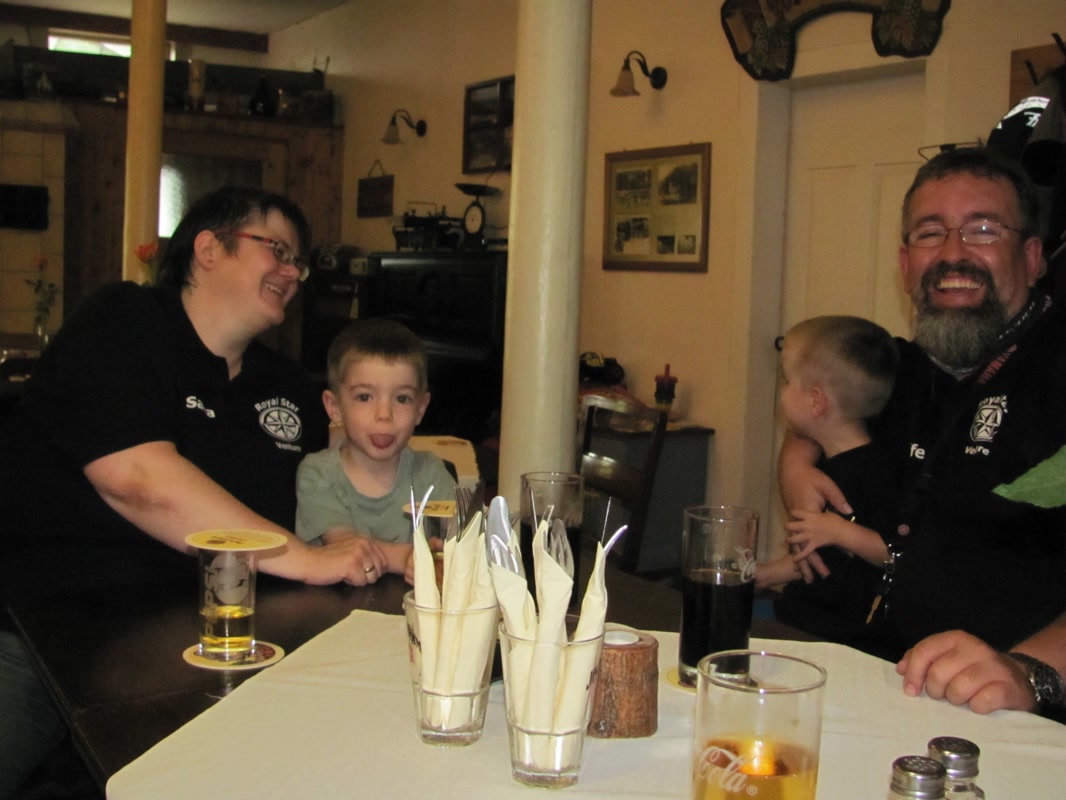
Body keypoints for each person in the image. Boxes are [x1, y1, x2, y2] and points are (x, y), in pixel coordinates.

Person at [0, 186, 382, 796]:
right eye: (278, 250)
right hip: (49, 633)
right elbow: (139, 481)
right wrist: (302, 559)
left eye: (298, 263)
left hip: (223, 645)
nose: (292, 273)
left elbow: (324, 502)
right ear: (208, 248)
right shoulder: (123, 321)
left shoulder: (285, 385)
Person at [780, 147, 1066, 719]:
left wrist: (1032, 673)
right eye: (931, 234)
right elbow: (813, 407)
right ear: (906, 263)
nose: (954, 254)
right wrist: (797, 461)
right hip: (862, 672)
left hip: (1002, 710)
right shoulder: (896, 367)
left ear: (1033, 258)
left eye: (983, 230)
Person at [756, 315, 899, 658]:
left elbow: (898, 552)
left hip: (843, 640)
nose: (781, 392)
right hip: (800, 618)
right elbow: (827, 561)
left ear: (816, 401)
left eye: (787, 381)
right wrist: (765, 574)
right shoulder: (820, 470)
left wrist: (839, 531)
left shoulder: (878, 473)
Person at [295, 318, 455, 583]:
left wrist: (449, 554)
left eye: (402, 398)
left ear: (420, 408)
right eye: (364, 397)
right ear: (334, 407)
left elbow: (464, 542)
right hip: (332, 607)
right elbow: (346, 549)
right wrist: (409, 557)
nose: (384, 414)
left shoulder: (430, 473)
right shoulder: (318, 473)